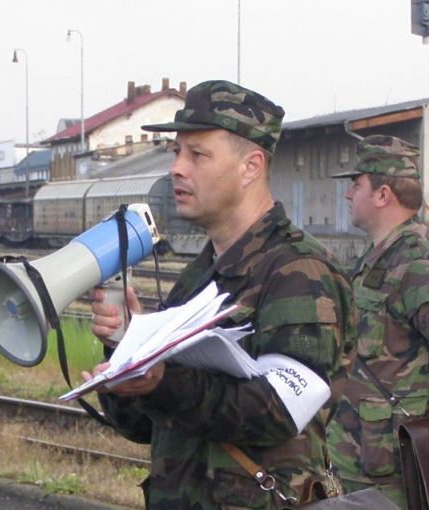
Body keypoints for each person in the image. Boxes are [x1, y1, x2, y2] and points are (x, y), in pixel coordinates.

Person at [85, 80, 356, 509]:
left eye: (198, 155)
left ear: (251, 167)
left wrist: (164, 381)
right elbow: (143, 427)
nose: (177, 168)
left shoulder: (300, 274)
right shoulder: (199, 277)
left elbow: (279, 412)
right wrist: (126, 354)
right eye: (176, 152)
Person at [328, 135, 429, 508]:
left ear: (383, 194)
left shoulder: (416, 262)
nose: (348, 194)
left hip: (394, 473)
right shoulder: (381, 257)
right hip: (364, 459)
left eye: (357, 184)